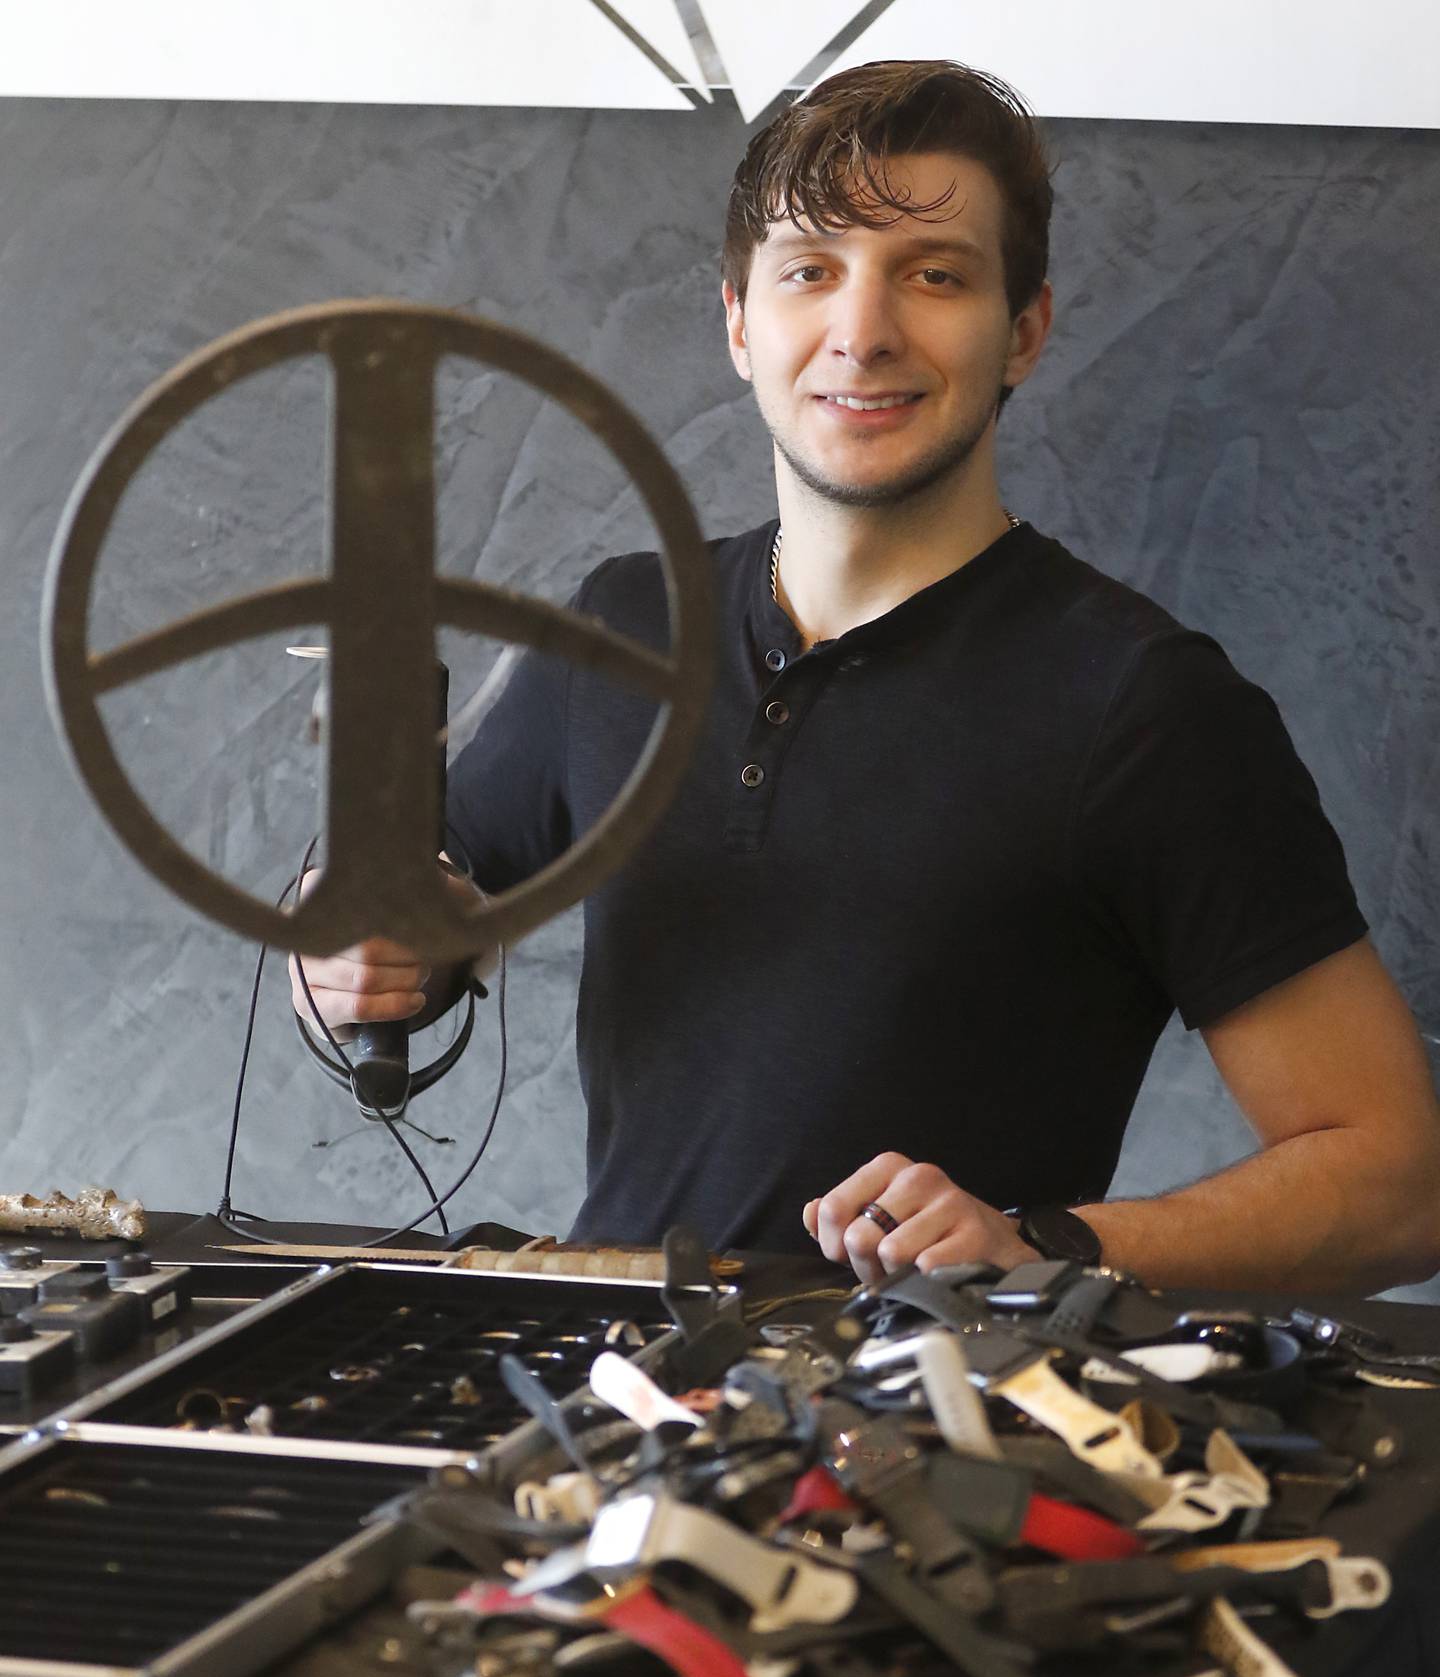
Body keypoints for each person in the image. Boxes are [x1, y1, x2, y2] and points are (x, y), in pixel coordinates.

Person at [292, 60, 1440, 1291]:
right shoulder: (625, 623)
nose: (863, 330)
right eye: (810, 271)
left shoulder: (1146, 709)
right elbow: (386, 938)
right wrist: (350, 954)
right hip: (610, 1409)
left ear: (1026, 331)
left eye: (934, 274)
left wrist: (1043, 1247)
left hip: (928, 1445)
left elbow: (1396, 1186)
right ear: (741, 322)